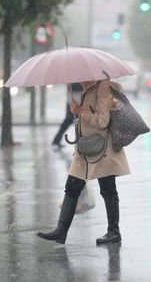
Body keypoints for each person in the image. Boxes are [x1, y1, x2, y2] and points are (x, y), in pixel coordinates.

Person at [37, 79, 130, 245]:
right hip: (86, 149)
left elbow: (102, 121)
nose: (78, 79)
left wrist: (80, 111)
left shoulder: (102, 88)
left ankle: (114, 232)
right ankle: (61, 231)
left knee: (108, 189)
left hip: (102, 149)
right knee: (72, 187)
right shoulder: (87, 88)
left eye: (81, 76)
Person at [52, 83, 83, 147]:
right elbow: (75, 89)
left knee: (68, 123)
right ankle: (56, 140)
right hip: (74, 103)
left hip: (74, 102)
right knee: (69, 122)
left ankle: (56, 140)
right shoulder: (74, 80)